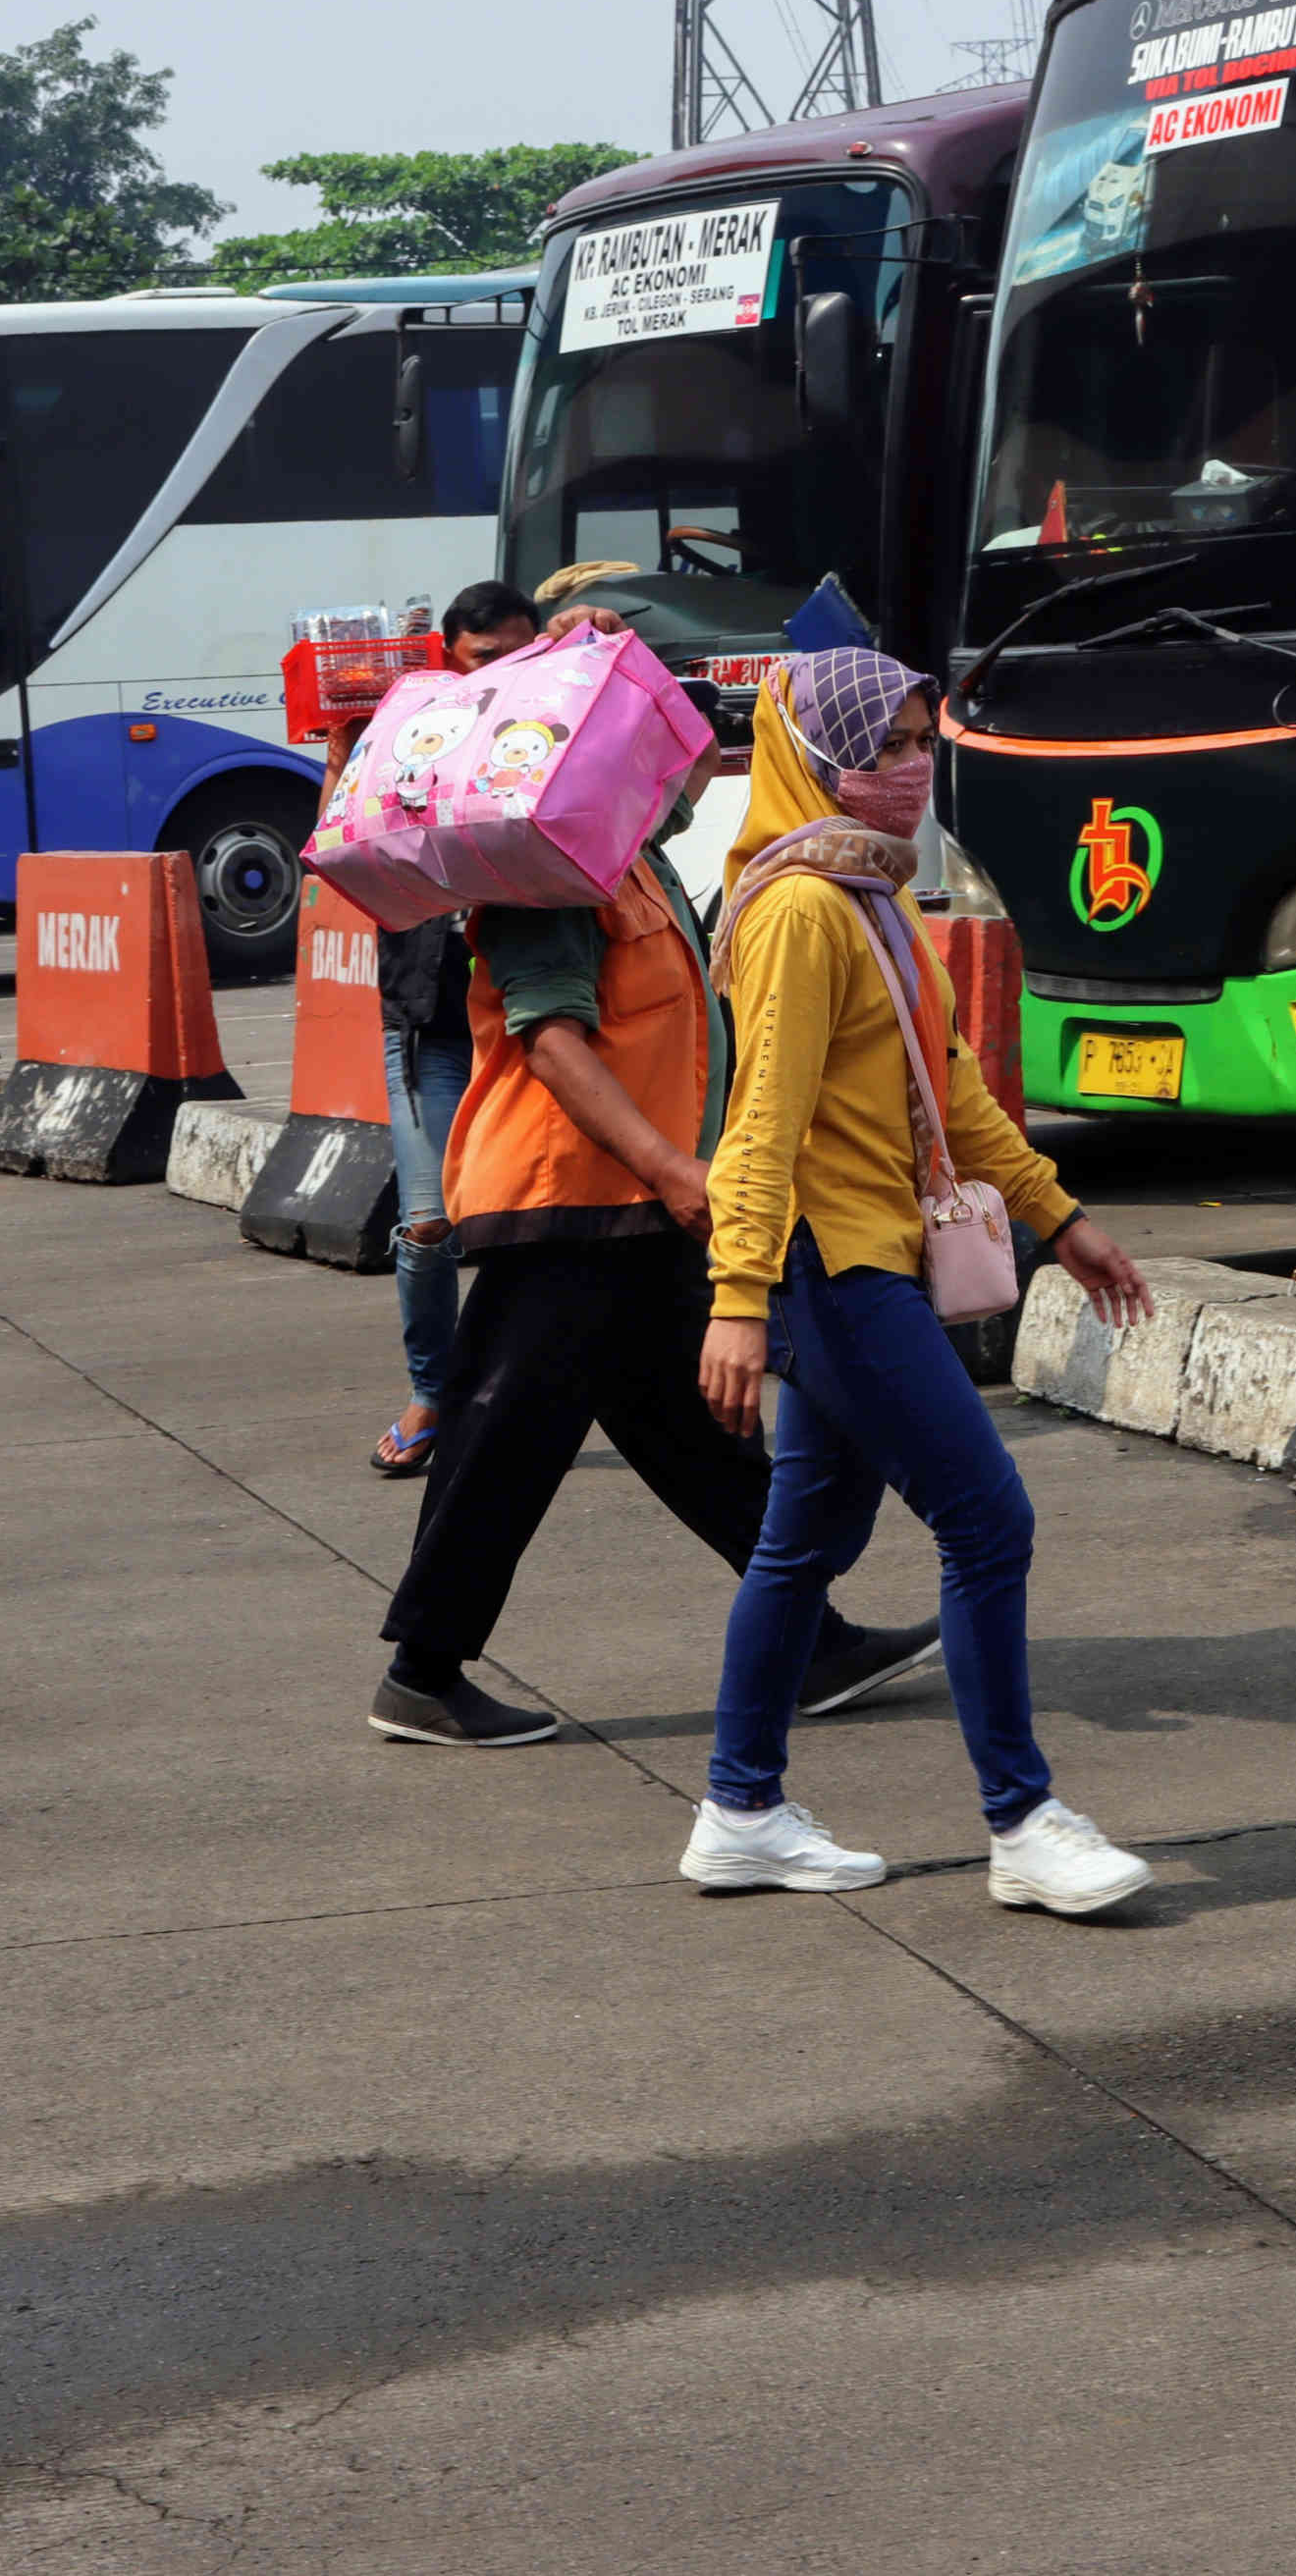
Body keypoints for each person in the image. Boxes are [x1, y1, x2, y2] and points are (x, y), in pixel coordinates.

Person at [369, 614, 943, 1747]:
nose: (656, 760)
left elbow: (684, 771)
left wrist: (613, 667)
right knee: (505, 1434)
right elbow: (554, 1043)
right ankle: (423, 1668)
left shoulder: (620, 849)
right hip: (568, 1198)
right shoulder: (541, 877)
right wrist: (676, 1168)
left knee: (694, 1428)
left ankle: (812, 1640)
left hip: (625, 1200)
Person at [683, 648, 1161, 1914]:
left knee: (803, 1541)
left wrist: (1061, 1218)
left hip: (874, 1248)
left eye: (914, 742)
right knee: (987, 1521)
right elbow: (759, 1120)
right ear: (811, 756)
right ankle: (1020, 1818)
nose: (908, 770)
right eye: (881, 747)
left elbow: (946, 1093)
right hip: (833, 1263)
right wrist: (738, 1298)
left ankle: (740, 1806)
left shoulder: (866, 895)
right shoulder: (795, 910)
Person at [362, 582, 552, 1477]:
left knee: (557, 1221)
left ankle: (549, 1388)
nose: (507, 669)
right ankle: (433, 1392)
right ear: (449, 653)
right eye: (486, 656)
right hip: (431, 1021)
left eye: (522, 650)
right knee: (430, 1224)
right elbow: (342, 841)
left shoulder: (552, 729)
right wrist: (344, 758)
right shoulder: (408, 726)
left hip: (537, 1020)